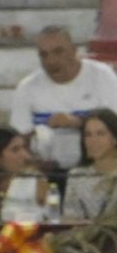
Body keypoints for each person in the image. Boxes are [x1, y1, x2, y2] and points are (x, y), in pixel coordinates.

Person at [7, 27, 117, 172]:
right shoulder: (27, 87)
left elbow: (115, 126)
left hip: (97, 168)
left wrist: (77, 123)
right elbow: (17, 138)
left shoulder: (102, 76)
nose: (51, 60)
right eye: (44, 55)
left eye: (58, 52)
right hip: (46, 171)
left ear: (74, 50)